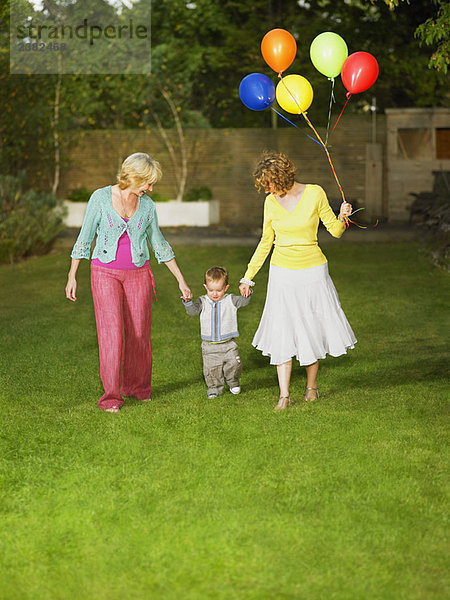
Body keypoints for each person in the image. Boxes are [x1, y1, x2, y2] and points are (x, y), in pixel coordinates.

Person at [65, 152, 192, 413]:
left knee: (139, 335)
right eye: (148, 183)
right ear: (133, 177)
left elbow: (158, 242)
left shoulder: (147, 206)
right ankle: (111, 397)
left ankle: (138, 388)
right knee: (112, 335)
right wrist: (72, 274)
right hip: (104, 273)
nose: (151, 188)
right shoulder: (100, 198)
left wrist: (180, 279)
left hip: (139, 274)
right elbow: (85, 236)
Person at [239, 151, 356, 410]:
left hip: (313, 271)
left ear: (281, 177)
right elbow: (265, 241)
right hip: (282, 273)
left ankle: (311, 387)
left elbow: (335, 231)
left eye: (268, 183)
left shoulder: (315, 193)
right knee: (282, 329)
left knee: (311, 327)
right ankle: (284, 395)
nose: (266, 190)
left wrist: (343, 216)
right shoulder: (270, 202)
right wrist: (248, 276)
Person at [183, 266, 252, 399]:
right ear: (205, 287)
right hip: (209, 346)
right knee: (211, 369)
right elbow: (192, 311)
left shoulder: (231, 300)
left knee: (234, 364)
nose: (215, 294)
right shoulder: (202, 301)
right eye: (211, 290)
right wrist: (188, 302)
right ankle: (214, 388)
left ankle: (232, 381)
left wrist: (247, 292)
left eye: (219, 290)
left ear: (226, 288)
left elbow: (244, 301)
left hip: (229, 344)